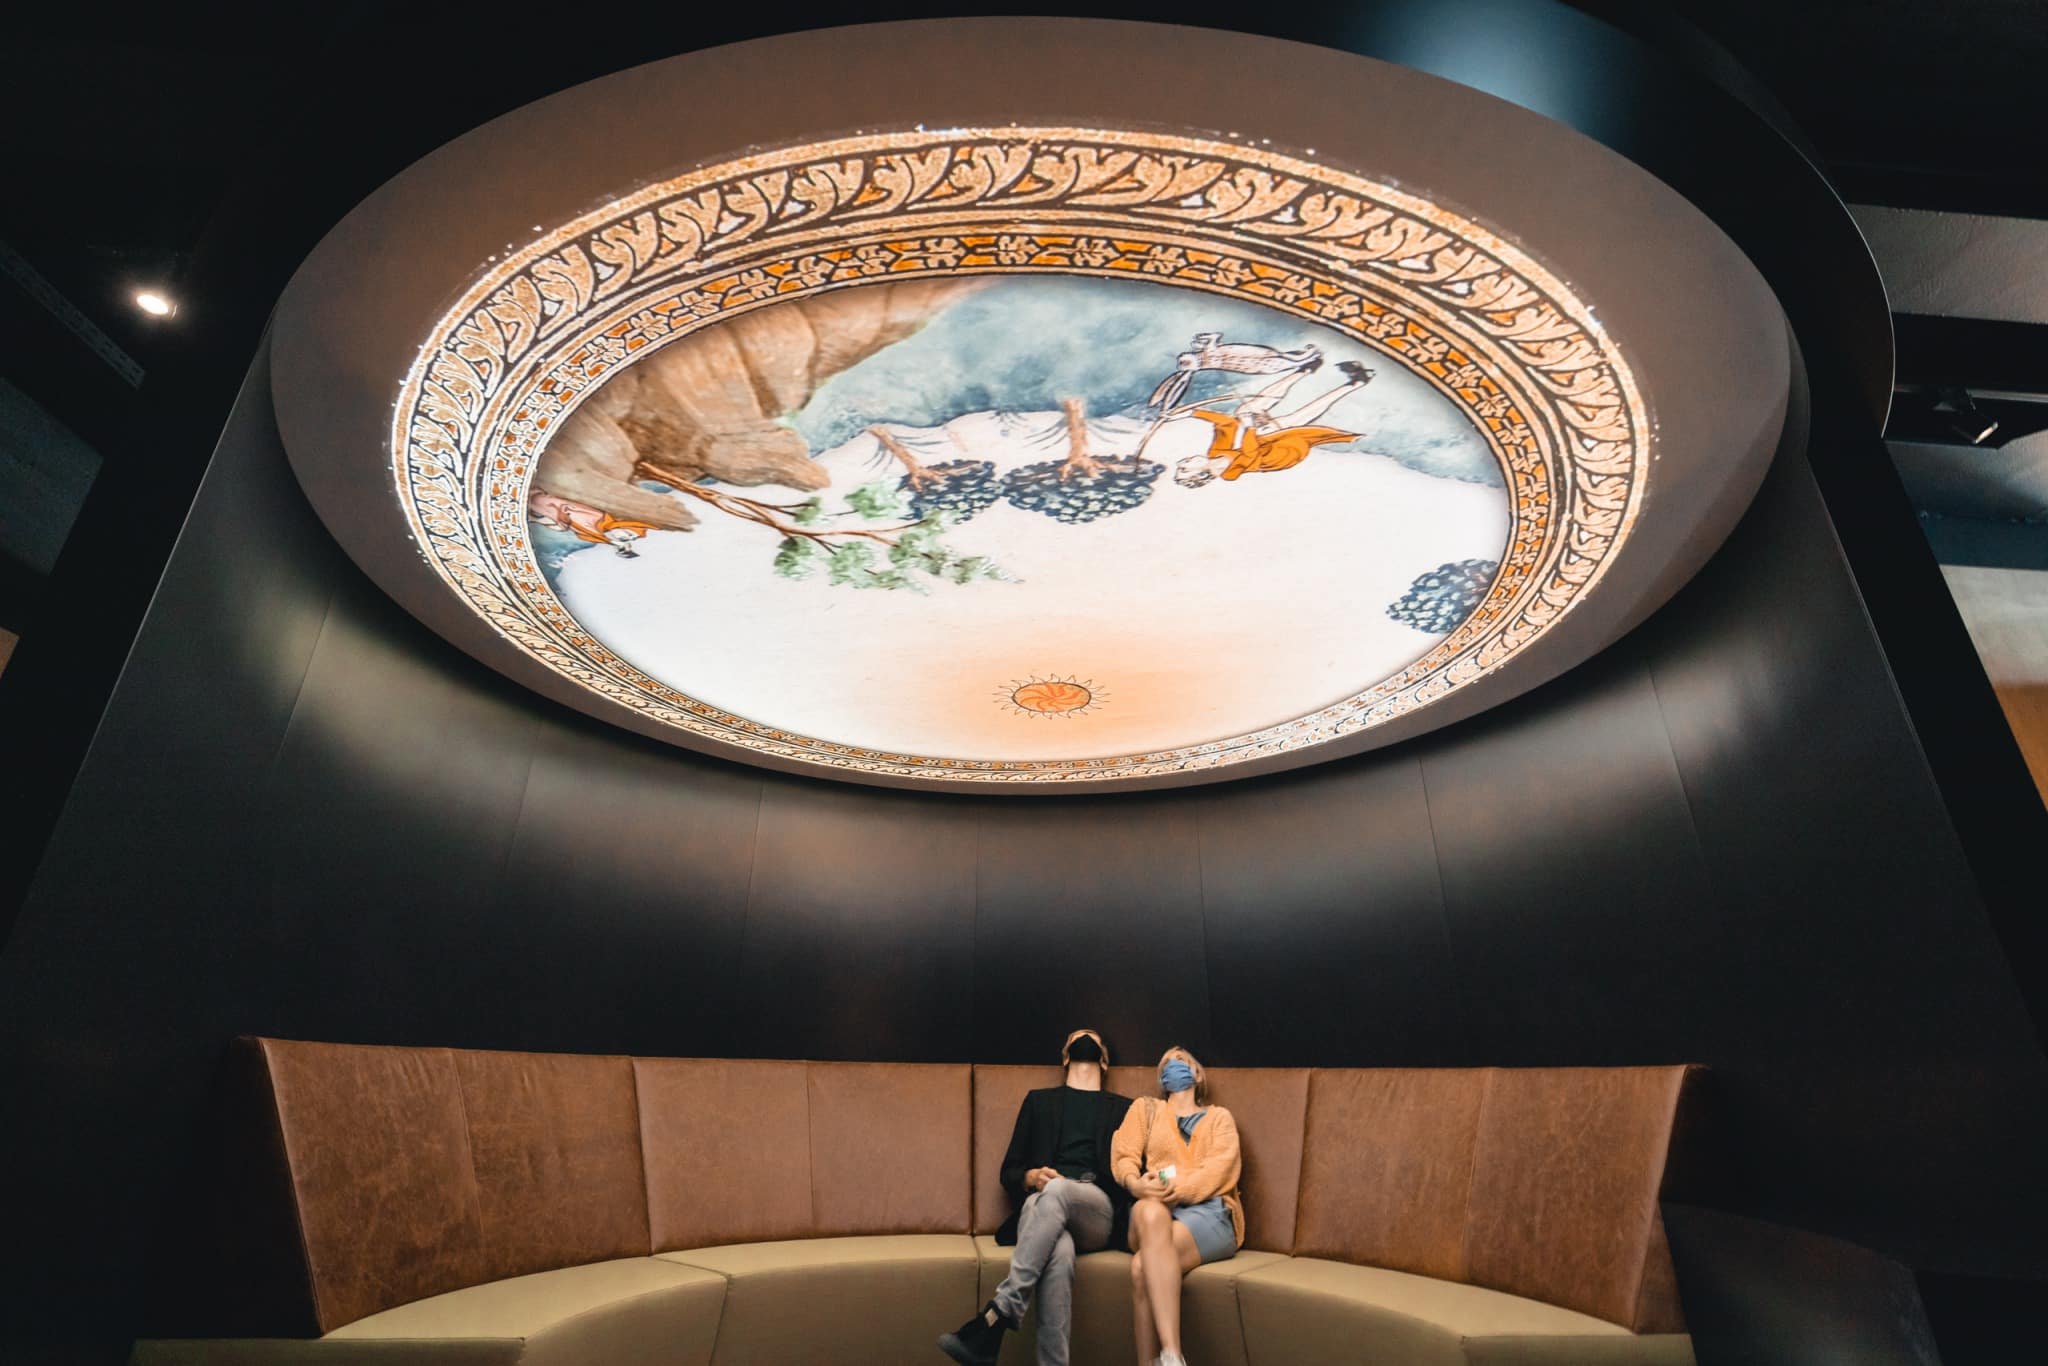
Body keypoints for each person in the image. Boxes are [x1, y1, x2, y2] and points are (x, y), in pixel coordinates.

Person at [939, 1029, 1137, 1366]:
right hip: (1045, 1207)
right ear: (1065, 1056)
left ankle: (1002, 1309)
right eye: (1078, 1036)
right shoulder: (1038, 1101)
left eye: (1093, 1037)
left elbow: (1129, 1172)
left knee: (1056, 1191)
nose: (1085, 1037)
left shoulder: (1124, 1108)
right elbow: (1010, 1171)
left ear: (1104, 1060)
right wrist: (1032, 1177)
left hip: (1096, 1212)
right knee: (1059, 1251)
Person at [1111, 1047, 1243, 1366]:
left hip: (1209, 1213)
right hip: (1152, 1207)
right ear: (1161, 1079)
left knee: (1141, 1267)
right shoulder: (1146, 1109)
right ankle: (1173, 1357)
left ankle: (1161, 1359)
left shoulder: (1219, 1118)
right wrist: (1135, 1183)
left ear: (1197, 1074)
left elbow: (1219, 1171)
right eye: (1167, 1062)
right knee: (1148, 1210)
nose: (1174, 1063)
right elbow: (1124, 1154)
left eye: (1182, 1061)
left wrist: (1173, 1186)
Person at [1171, 360, 1376, 488]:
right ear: (1200, 475)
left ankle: (1304, 370)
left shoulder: (1215, 453)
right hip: (1282, 452)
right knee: (1287, 422)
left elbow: (1227, 425)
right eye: (1185, 469)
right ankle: (1356, 383)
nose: (1183, 462)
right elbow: (1251, 454)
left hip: (1261, 441)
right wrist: (1251, 427)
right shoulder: (1230, 474)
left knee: (1244, 411)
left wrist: (1191, 413)